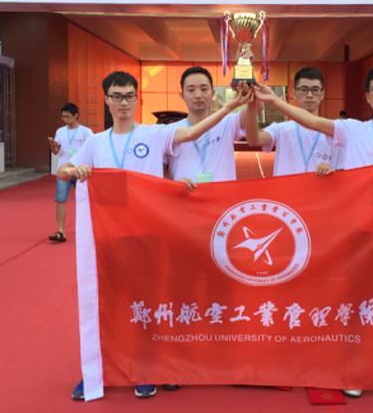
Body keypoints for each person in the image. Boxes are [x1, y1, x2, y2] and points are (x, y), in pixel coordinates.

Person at [250, 63, 373, 400]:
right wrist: (274, 101)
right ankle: (356, 369)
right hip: (359, 230)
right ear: (367, 97)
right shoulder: (352, 130)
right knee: (357, 302)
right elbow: (311, 122)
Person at [58, 71, 251, 401]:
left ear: (137, 99)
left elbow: (192, 132)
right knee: (106, 302)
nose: (123, 102)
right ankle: (96, 371)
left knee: (146, 302)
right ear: (106, 100)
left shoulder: (155, 134)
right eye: (116, 96)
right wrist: (75, 170)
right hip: (108, 234)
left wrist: (230, 106)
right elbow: (62, 171)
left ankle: (145, 369)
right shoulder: (96, 142)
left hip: (147, 233)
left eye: (129, 96)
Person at [165, 48, 261, 190]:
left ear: (213, 93)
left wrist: (246, 71)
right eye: (191, 90)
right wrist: (171, 184)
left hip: (223, 200)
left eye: (204, 89)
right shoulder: (171, 131)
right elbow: (157, 170)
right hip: (185, 200)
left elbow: (257, 106)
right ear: (182, 95)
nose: (198, 95)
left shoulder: (227, 123)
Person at [245, 67, 342, 177]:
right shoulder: (280, 129)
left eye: (315, 90)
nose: (310, 95)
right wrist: (252, 102)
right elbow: (254, 140)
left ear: (322, 94)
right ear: (294, 94)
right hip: (287, 188)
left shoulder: (335, 130)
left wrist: (332, 172)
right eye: (304, 89)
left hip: (322, 188)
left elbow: (343, 171)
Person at [48, 103, 93, 242]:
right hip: (64, 170)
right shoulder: (60, 131)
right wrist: (54, 146)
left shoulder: (86, 132)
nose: (65, 119)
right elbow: (56, 152)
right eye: (63, 117)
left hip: (81, 170)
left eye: (67, 116)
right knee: (60, 200)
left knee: (83, 201)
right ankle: (61, 231)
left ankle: (85, 229)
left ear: (76, 115)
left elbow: (91, 150)